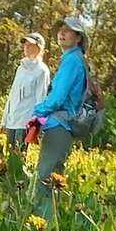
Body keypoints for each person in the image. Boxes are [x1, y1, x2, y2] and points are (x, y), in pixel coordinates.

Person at [28, 15, 92, 193]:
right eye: (60, 30)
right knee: (55, 178)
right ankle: (53, 218)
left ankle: (41, 217)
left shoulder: (72, 60)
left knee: (43, 178)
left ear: (78, 38)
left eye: (68, 30)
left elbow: (58, 97)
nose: (61, 33)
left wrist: (37, 112)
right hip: (66, 125)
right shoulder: (77, 59)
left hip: (59, 125)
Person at [0, 31, 51, 149]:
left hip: (25, 122)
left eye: (30, 45)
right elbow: (12, 95)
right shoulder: (20, 69)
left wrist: (36, 126)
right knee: (9, 158)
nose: (26, 47)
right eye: (25, 45)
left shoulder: (42, 70)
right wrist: (4, 120)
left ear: (39, 48)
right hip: (12, 120)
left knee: (19, 158)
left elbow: (41, 99)